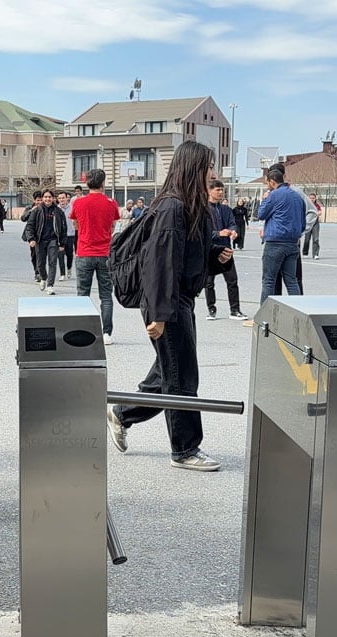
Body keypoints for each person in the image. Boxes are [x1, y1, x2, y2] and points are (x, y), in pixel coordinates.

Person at [107, 140, 233, 472]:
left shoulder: (194, 206)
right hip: (166, 301)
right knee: (182, 376)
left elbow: (186, 257)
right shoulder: (172, 207)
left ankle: (122, 413)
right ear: (193, 167)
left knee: (168, 371)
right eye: (208, 167)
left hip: (179, 299)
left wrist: (215, 258)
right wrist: (160, 315)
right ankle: (185, 449)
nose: (212, 173)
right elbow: (159, 263)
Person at [70, 169, 119, 344]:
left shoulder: (78, 203)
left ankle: (82, 330)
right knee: (106, 295)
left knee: (82, 294)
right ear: (103, 183)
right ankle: (106, 333)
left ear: (87, 183)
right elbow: (113, 226)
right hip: (105, 252)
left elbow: (75, 224)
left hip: (84, 251)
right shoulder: (111, 202)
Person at [253, 168, 304, 322]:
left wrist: (265, 198)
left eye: (267, 182)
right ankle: (300, 312)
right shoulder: (297, 196)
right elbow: (303, 221)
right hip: (293, 243)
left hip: (275, 242)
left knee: (269, 280)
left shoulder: (274, 195)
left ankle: (265, 315)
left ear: (272, 181)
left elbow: (260, 214)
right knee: (292, 280)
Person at [203, 180, 244, 321]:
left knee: (232, 280)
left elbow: (232, 223)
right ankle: (211, 309)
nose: (220, 192)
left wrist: (233, 231)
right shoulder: (203, 210)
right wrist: (218, 233)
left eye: (222, 190)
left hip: (226, 249)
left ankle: (235, 310)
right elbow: (202, 232)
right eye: (217, 190)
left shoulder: (226, 209)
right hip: (210, 249)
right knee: (209, 282)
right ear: (209, 191)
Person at [24, 189, 67, 295]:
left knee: (52, 262)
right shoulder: (37, 210)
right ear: (42, 198)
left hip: (53, 240)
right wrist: (31, 239)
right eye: (45, 197)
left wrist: (62, 243)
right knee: (40, 264)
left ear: (53, 199)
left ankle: (50, 285)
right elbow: (30, 226)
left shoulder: (58, 211)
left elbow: (63, 228)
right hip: (40, 240)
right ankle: (44, 278)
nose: (47, 199)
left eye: (49, 197)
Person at [21, 191, 44, 282]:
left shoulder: (45, 208)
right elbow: (23, 218)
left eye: (41, 200)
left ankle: (40, 272)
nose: (39, 202)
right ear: (34, 200)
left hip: (43, 235)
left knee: (41, 255)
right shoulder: (29, 208)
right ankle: (37, 272)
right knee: (34, 255)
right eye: (38, 200)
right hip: (32, 235)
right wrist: (31, 211)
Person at [57, 190, 77, 280]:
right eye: (60, 198)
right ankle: (62, 274)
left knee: (69, 254)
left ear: (67, 199)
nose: (61, 200)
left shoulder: (72, 208)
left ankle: (69, 269)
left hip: (70, 234)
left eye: (63, 198)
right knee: (60, 255)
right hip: (59, 236)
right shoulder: (56, 209)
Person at [304, 192, 322, 259]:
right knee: (307, 239)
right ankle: (305, 251)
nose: (312, 199)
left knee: (316, 239)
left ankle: (315, 254)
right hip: (308, 223)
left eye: (313, 198)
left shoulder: (317, 206)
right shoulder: (306, 205)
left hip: (315, 224)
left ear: (315, 199)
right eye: (310, 198)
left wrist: (317, 213)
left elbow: (320, 212)